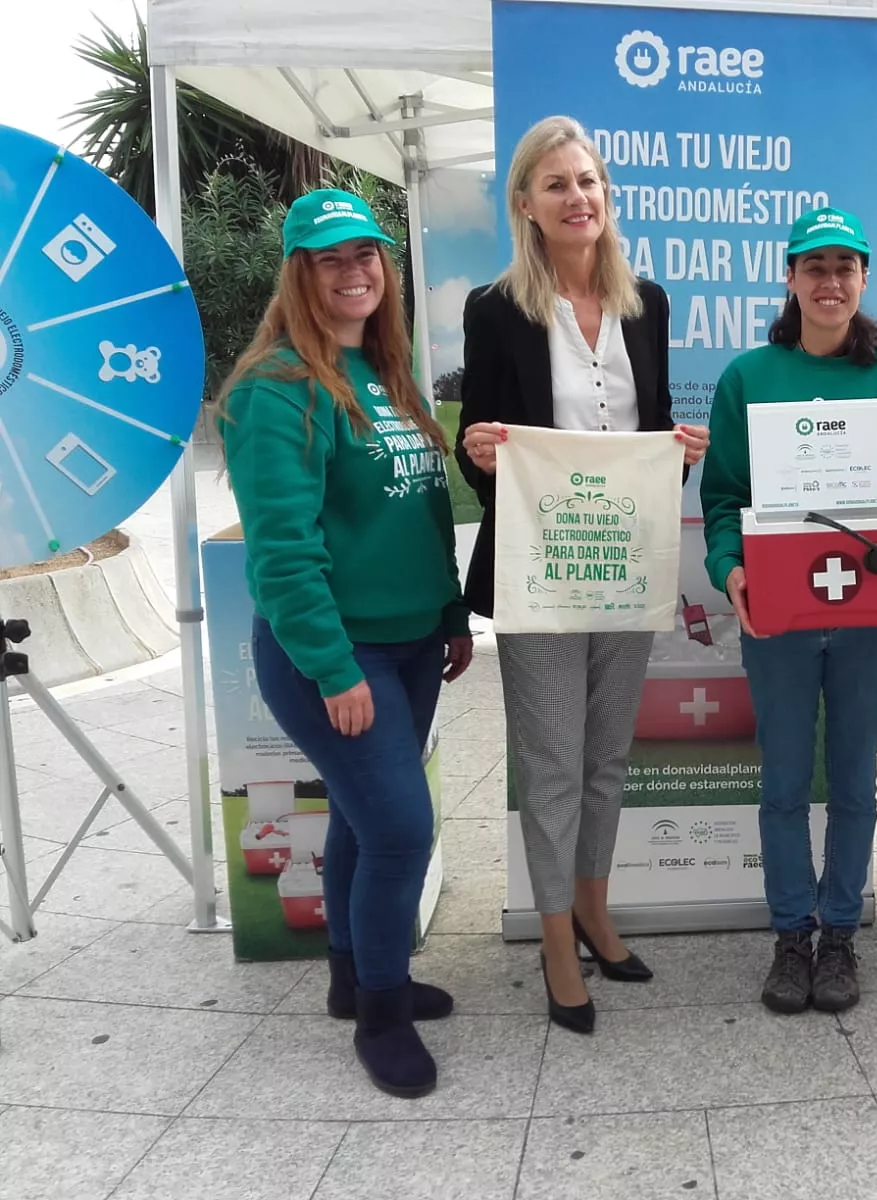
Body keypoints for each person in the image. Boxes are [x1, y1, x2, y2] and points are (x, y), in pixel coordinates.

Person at [456, 116, 708, 1036]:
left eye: (589, 182)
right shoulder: (496, 309)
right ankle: (558, 939)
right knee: (555, 765)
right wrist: (479, 448)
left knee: (607, 757)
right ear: (525, 204)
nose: (578, 198)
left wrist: (679, 453)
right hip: (540, 570)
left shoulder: (649, 301)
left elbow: (650, 440)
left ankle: (596, 908)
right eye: (557, 184)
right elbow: (476, 439)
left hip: (627, 563)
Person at [220, 189, 472, 1099]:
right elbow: (283, 554)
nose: (356, 270)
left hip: (410, 644)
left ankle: (349, 977)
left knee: (368, 827)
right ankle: (381, 1014)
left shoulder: (390, 373)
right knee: (403, 830)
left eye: (367, 254)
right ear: (299, 273)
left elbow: (425, 512)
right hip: (334, 655)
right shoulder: (277, 387)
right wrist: (332, 667)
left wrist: (448, 611)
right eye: (332, 258)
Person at [699, 207, 877, 1015]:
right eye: (815, 267)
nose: (830, 282)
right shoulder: (748, 378)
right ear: (791, 279)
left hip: (869, 611)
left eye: (845, 267)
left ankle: (839, 933)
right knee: (781, 778)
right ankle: (789, 935)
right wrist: (730, 568)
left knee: (853, 773)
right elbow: (726, 499)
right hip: (779, 613)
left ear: (864, 278)